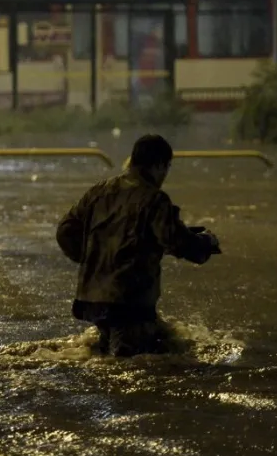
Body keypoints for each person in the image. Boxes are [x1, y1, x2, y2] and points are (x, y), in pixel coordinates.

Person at [56, 134, 221, 357]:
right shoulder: (154, 199)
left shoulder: (99, 191)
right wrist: (207, 242)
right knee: (134, 361)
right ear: (159, 165)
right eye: (166, 168)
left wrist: (93, 259)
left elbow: (65, 231)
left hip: (92, 299)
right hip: (128, 302)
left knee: (140, 344)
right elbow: (176, 241)